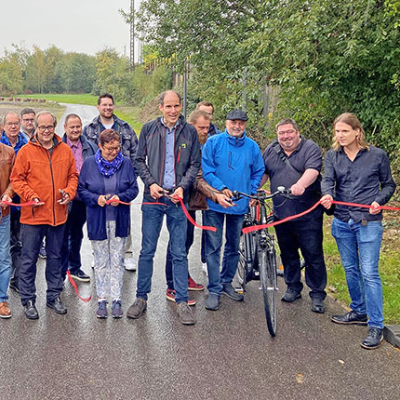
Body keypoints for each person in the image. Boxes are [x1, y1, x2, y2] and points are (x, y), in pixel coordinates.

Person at [321, 113, 396, 349]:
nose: (340, 135)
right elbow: (327, 180)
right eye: (337, 131)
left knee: (370, 273)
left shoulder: (377, 155)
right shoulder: (333, 156)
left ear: (357, 132)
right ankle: (359, 310)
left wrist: (379, 201)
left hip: (368, 221)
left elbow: (389, 184)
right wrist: (328, 195)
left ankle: (376, 325)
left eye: (344, 131)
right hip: (342, 220)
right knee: (350, 268)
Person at [127, 90, 200, 325]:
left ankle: (181, 301)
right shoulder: (149, 129)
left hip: (178, 200)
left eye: (176, 106)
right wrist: (151, 184)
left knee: (179, 252)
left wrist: (182, 187)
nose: (172, 111)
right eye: (168, 106)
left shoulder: (189, 131)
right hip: (153, 199)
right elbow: (139, 160)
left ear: (181, 107)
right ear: (160, 107)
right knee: (147, 250)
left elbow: (194, 164)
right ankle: (141, 298)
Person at [10, 111, 78, 320]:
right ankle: (28, 299)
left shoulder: (65, 151)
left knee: (56, 257)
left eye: (49, 127)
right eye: (42, 127)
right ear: (35, 128)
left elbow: (73, 176)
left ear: (55, 127)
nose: (46, 131)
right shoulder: (25, 152)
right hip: (32, 216)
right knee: (29, 259)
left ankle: (53, 296)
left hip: (58, 215)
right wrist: (30, 194)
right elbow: (17, 179)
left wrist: (69, 192)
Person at [164, 110, 232, 304]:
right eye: (201, 127)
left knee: (187, 240)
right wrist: (215, 195)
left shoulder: (205, 143)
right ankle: (172, 286)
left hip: (193, 202)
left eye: (207, 127)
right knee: (176, 243)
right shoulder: (182, 143)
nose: (205, 131)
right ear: (191, 125)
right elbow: (196, 178)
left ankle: (183, 277)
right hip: (179, 200)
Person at [262, 118, 327, 313]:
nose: (286, 136)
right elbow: (264, 173)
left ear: (297, 132)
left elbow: (313, 170)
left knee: (313, 254)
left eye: (289, 132)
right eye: (281, 133)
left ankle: (317, 294)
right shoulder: (271, 151)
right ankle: (292, 286)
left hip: (307, 213)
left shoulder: (310, 148)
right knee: (288, 253)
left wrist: (301, 185)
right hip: (282, 213)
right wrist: (254, 188)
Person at [202, 109, 264, 311]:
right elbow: (207, 170)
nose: (237, 126)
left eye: (241, 123)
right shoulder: (213, 142)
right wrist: (221, 188)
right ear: (226, 122)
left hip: (239, 205)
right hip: (215, 204)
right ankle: (214, 288)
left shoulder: (252, 147)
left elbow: (258, 171)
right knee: (213, 247)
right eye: (233, 122)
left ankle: (226, 281)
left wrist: (252, 191)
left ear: (245, 124)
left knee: (233, 246)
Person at [78, 129, 138, 319]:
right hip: (98, 221)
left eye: (117, 148)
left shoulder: (126, 163)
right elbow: (81, 190)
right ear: (100, 146)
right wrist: (97, 199)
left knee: (117, 261)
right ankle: (102, 300)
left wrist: (119, 197)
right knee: (102, 261)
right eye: (110, 149)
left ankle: (117, 300)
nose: (114, 152)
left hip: (119, 220)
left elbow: (134, 189)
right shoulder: (89, 164)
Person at [83, 93, 138, 271]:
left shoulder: (125, 127)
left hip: (120, 181)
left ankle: (126, 254)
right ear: (98, 107)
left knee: (124, 219)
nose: (107, 108)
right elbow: (84, 154)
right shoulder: (89, 129)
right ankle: (97, 255)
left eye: (110, 105)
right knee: (96, 220)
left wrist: (130, 178)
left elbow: (136, 154)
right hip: (97, 184)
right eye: (104, 105)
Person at [61, 114, 97, 283]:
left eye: (78, 126)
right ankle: (59, 273)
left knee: (77, 235)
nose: (75, 130)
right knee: (61, 236)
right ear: (65, 128)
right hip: (63, 200)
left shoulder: (90, 146)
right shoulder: (58, 146)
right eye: (72, 127)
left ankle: (74, 267)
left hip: (82, 199)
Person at [0, 112, 28, 294]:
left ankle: (6, 293)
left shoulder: (19, 148)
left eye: (16, 123)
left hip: (11, 208)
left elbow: (15, 179)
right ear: (4, 127)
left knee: (11, 249)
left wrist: (8, 193)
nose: (13, 127)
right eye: (9, 123)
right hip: (8, 206)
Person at [0, 142, 15, 318]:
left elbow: (14, 179)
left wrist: (8, 194)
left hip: (2, 212)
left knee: (4, 256)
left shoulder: (9, 152)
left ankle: (2, 299)